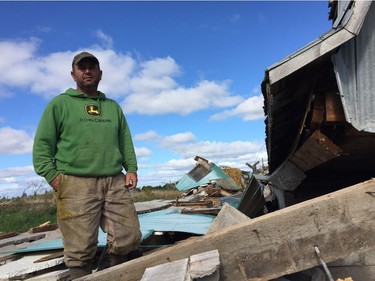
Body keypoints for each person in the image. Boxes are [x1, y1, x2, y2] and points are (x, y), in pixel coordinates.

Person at [32, 52, 142, 279]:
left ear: (100, 73)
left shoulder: (112, 107)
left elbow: (125, 141)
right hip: (75, 183)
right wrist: (54, 177)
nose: (87, 71)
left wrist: (131, 168)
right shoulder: (60, 104)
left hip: (114, 180)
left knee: (128, 237)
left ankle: (110, 275)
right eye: (82, 68)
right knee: (80, 249)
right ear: (73, 74)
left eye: (92, 67)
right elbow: (42, 145)